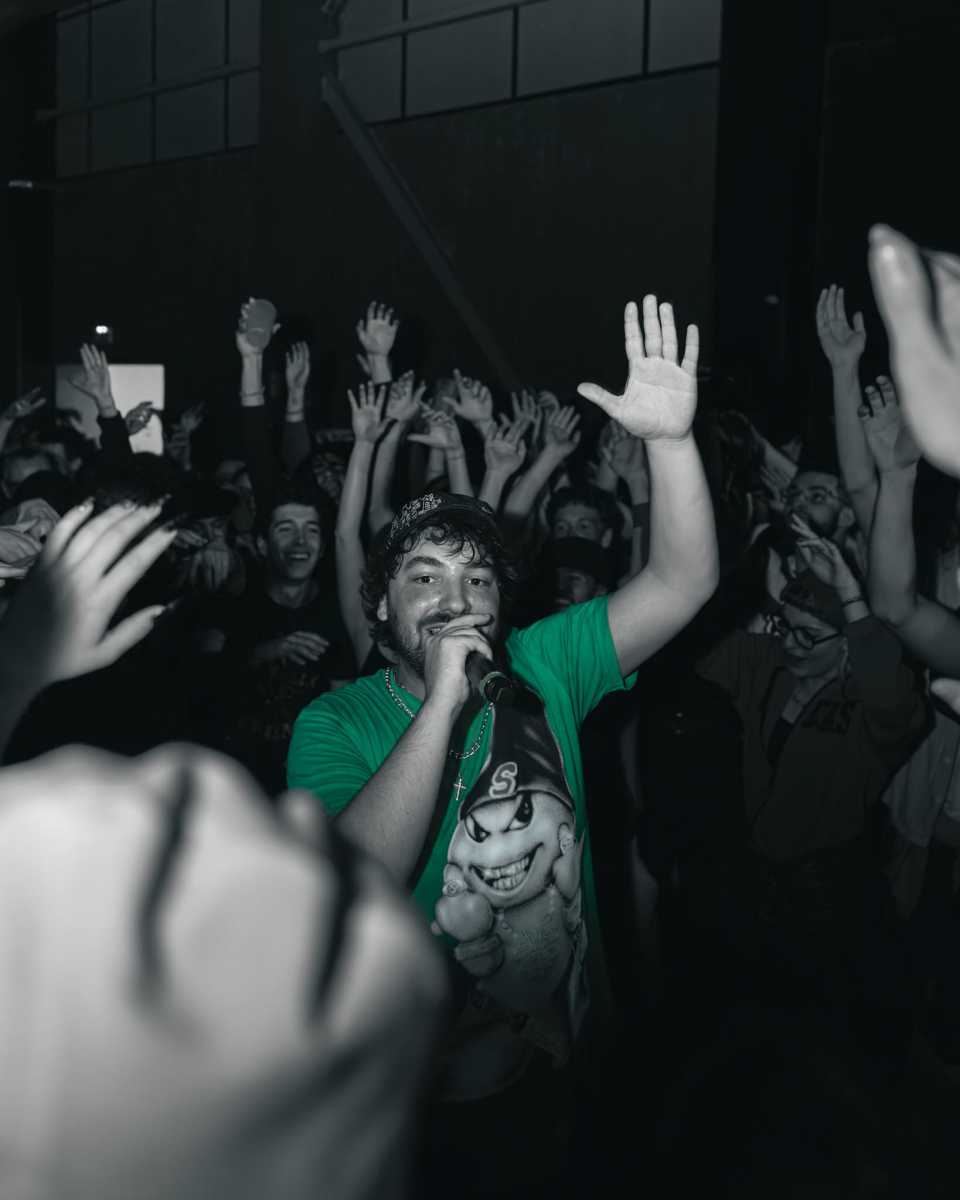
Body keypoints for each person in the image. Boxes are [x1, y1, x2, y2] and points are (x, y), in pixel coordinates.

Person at [288, 294, 719, 1194]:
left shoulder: (545, 661)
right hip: (407, 1096)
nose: (458, 599)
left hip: (559, 1059)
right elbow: (348, 879)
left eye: (478, 577)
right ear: (380, 609)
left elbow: (683, 583)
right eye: (426, 577)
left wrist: (672, 444)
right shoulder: (337, 723)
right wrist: (443, 705)